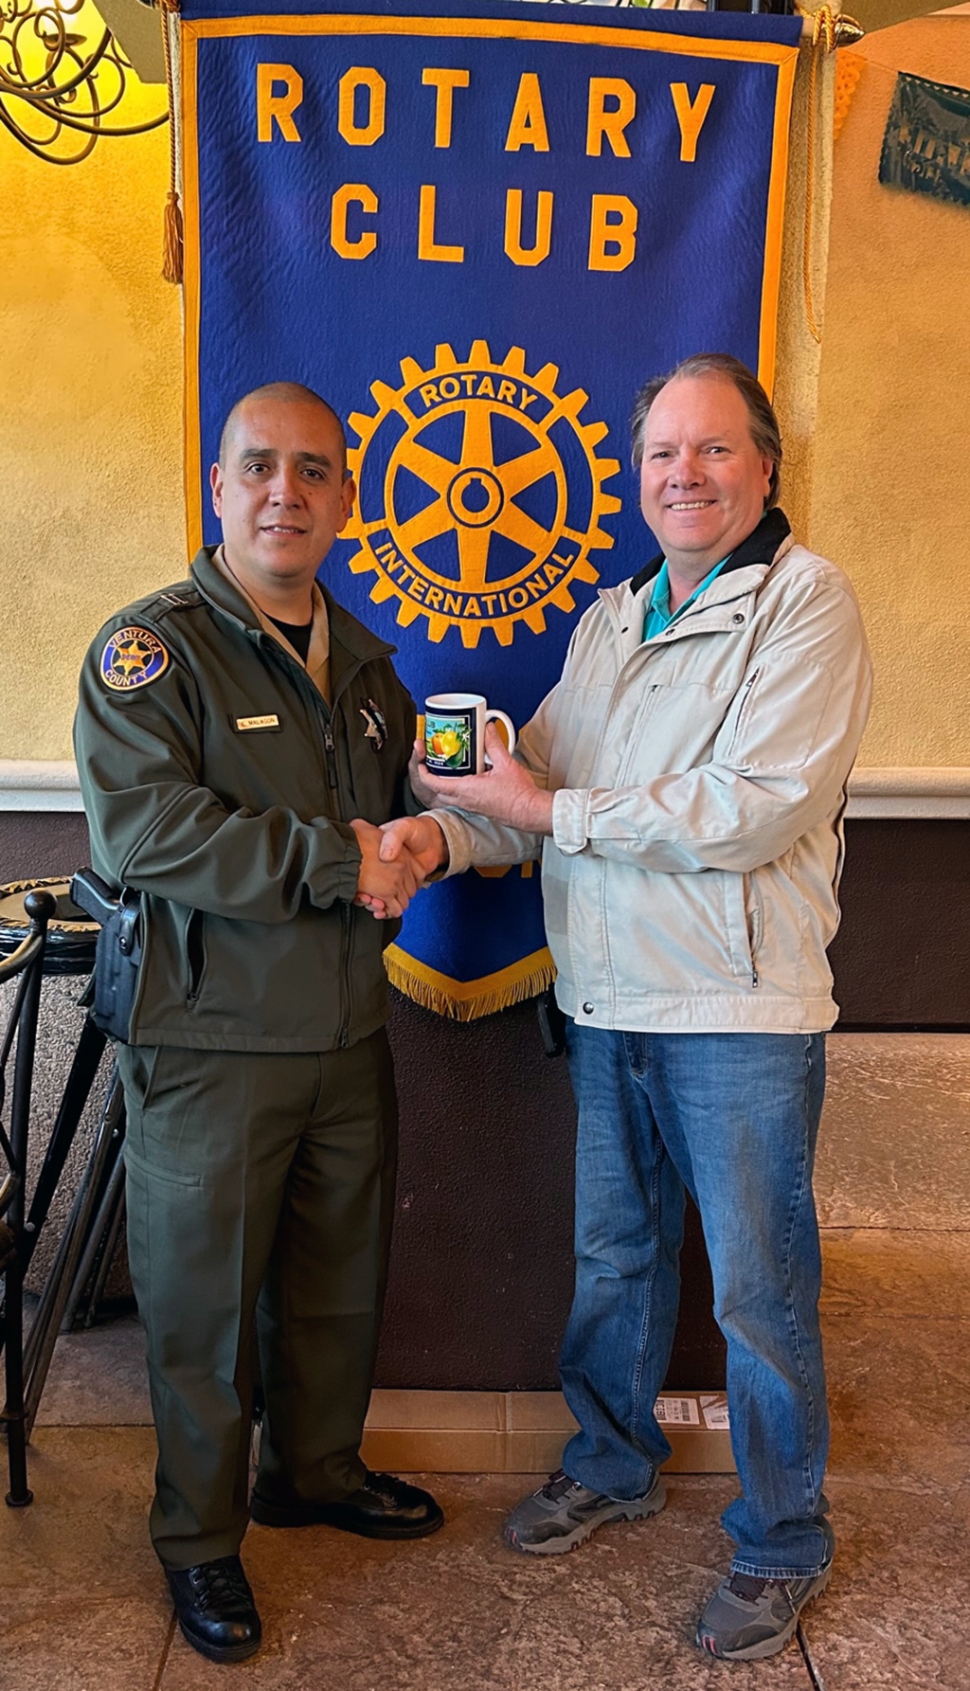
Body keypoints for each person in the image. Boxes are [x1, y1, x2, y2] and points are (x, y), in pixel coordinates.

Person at [376, 354, 872, 1662]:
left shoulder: (804, 605)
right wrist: (441, 842)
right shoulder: (612, 617)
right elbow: (538, 777)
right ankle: (609, 1458)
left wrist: (538, 812)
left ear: (766, 468)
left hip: (736, 1008)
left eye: (711, 450)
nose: (682, 474)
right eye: (661, 453)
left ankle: (780, 1536)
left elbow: (746, 807)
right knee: (614, 1254)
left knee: (760, 1292)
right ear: (635, 475)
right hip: (604, 1000)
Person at [74, 382, 442, 1665]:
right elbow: (145, 829)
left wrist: (428, 842)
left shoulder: (377, 669)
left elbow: (397, 830)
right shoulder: (152, 651)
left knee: (337, 1293)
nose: (286, 490)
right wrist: (348, 859)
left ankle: (316, 1474)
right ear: (219, 486)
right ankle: (198, 1538)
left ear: (347, 497)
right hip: (213, 1041)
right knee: (204, 1312)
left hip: (347, 1036)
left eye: (314, 471)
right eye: (259, 468)